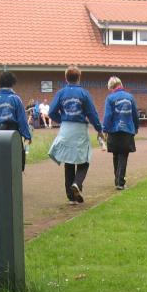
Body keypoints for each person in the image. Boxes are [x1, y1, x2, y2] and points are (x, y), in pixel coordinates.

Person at [47, 66, 102, 204]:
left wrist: (62, 120)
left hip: (66, 129)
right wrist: (99, 129)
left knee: (69, 161)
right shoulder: (84, 93)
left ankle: (71, 197)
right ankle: (77, 183)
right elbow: (92, 113)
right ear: (79, 78)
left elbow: (51, 112)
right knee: (85, 159)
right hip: (79, 129)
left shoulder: (61, 93)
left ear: (66, 78)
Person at [0, 71, 32, 168]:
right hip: (13, 133)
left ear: (0, 83)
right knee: (15, 160)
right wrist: (27, 136)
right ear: (12, 83)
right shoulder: (16, 99)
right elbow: (22, 120)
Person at [102, 76, 138, 191]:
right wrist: (135, 128)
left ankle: (117, 180)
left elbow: (108, 115)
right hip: (127, 129)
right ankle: (120, 182)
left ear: (111, 87)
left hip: (114, 130)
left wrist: (105, 129)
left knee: (116, 154)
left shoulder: (110, 98)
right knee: (123, 154)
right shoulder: (130, 97)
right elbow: (135, 115)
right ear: (120, 85)